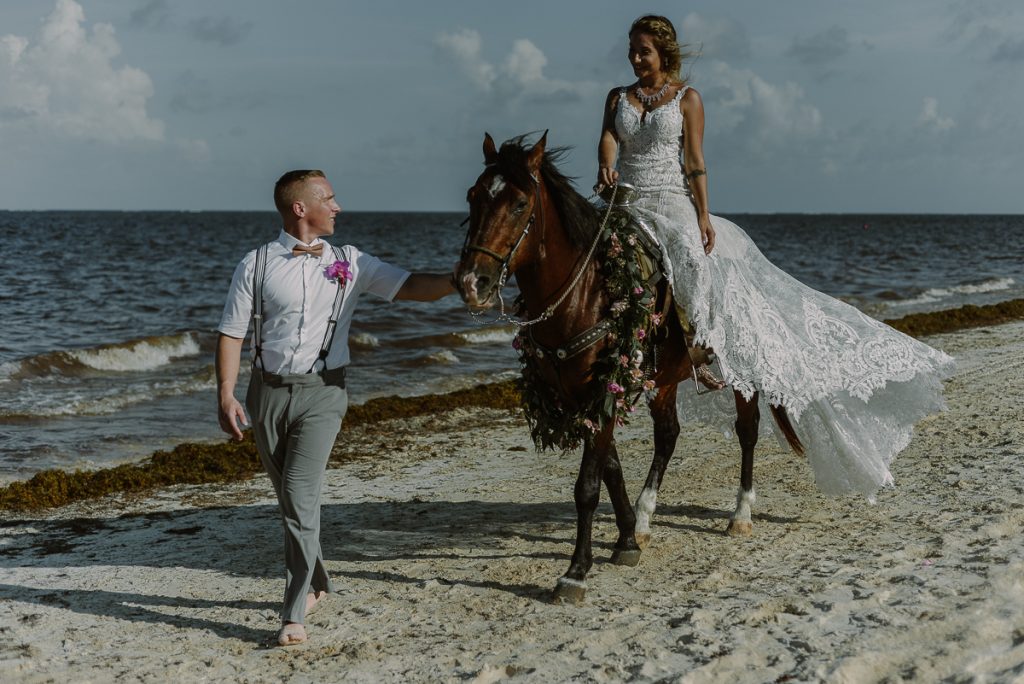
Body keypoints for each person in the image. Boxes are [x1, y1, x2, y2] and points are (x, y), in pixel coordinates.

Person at [596, 15, 954, 497]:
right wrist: (605, 162)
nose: (635, 59)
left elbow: (695, 162)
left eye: (644, 52)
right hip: (627, 202)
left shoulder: (688, 99)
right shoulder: (618, 98)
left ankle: (701, 350)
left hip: (671, 201)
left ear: (664, 54)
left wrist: (703, 215)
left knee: (689, 260)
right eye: (632, 50)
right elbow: (611, 137)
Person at [216, 169, 455, 646]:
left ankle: (292, 611)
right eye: (329, 198)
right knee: (289, 500)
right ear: (300, 208)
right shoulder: (257, 264)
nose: (338, 206)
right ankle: (320, 582)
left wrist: (457, 281)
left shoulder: (352, 261)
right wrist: (226, 392)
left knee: (300, 495)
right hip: (267, 393)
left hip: (325, 393)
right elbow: (232, 332)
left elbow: (410, 285)